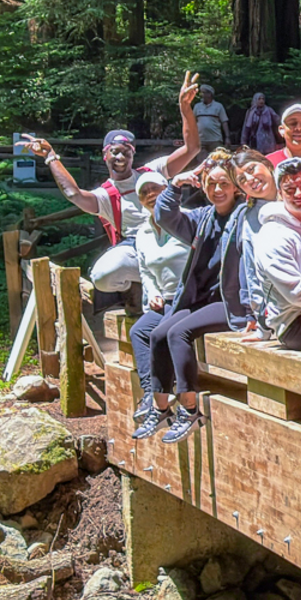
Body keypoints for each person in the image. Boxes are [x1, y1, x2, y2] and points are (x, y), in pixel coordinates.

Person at [20, 72, 202, 294]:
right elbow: (74, 194)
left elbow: (192, 148)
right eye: (114, 152)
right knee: (102, 275)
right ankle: (149, 284)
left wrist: (185, 109)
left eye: (126, 152)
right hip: (137, 245)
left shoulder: (153, 171)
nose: (120, 158)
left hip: (174, 233)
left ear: (133, 155)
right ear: (105, 155)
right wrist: (51, 157)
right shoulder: (106, 196)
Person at [133, 149, 245, 443]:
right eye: (211, 184)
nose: (217, 190)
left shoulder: (246, 215)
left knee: (178, 333)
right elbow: (165, 216)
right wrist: (174, 186)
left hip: (232, 302)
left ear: (236, 186)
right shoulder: (203, 218)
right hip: (200, 299)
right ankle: (159, 409)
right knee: (158, 334)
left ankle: (190, 410)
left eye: (224, 184)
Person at [127, 173, 190, 419]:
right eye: (145, 192)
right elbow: (145, 271)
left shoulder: (186, 220)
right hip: (165, 300)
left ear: (168, 189)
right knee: (138, 331)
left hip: (189, 297)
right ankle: (149, 393)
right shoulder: (142, 233)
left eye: (156, 188)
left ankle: (165, 394)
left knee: (160, 333)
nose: (151, 195)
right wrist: (152, 292)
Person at [254, 159, 301, 349]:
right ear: (279, 194)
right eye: (289, 189)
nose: (299, 194)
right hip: (295, 322)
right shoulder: (272, 235)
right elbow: (297, 294)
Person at [229, 149, 279, 338]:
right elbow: (251, 270)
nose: (250, 179)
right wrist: (261, 318)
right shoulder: (250, 219)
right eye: (242, 180)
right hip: (280, 308)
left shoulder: (297, 191)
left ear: (266, 164)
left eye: (251, 169)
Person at [193, 84, 230, 150]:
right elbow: (192, 122)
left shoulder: (218, 106)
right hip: (200, 140)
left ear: (210, 94)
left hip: (215, 140)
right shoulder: (197, 106)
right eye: (202, 93)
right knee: (201, 159)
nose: (202, 95)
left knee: (216, 159)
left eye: (204, 93)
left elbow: (224, 122)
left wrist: (227, 137)